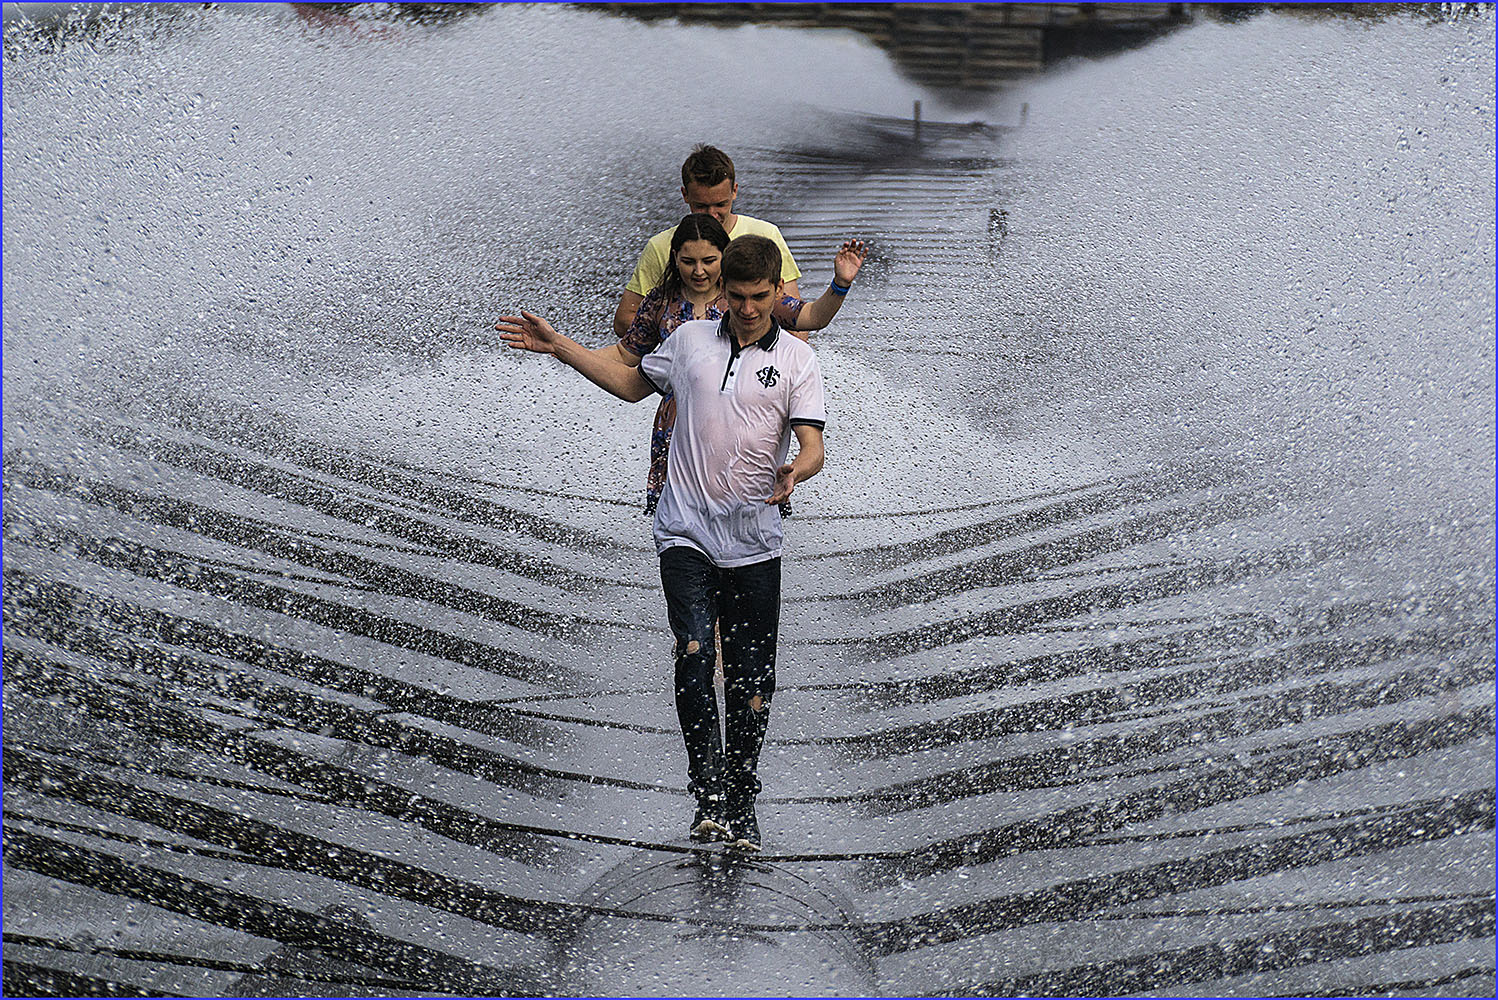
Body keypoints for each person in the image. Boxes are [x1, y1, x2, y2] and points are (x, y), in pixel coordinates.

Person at [497, 235, 844, 852]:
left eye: (758, 298)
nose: (746, 309)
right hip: (683, 527)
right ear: (722, 294)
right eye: (735, 298)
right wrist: (561, 349)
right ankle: (706, 795)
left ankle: (742, 795)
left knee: (750, 677)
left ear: (773, 292)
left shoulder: (797, 362)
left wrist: (799, 469)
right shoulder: (688, 343)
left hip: (755, 539)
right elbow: (631, 383)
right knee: (691, 654)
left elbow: (812, 444)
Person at [613, 211, 865, 514]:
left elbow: (812, 317)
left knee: (749, 521)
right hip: (678, 434)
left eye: (708, 260)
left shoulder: (752, 296)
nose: (699, 270)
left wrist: (839, 285)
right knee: (678, 532)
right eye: (689, 261)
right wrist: (560, 347)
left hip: (745, 444)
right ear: (675, 258)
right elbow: (626, 359)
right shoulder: (662, 304)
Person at [612, 145, 802, 339]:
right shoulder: (660, 246)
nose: (712, 214)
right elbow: (623, 321)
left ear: (734, 191)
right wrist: (688, 339)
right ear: (685, 195)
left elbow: (795, 323)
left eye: (721, 205)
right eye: (701, 206)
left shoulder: (766, 234)